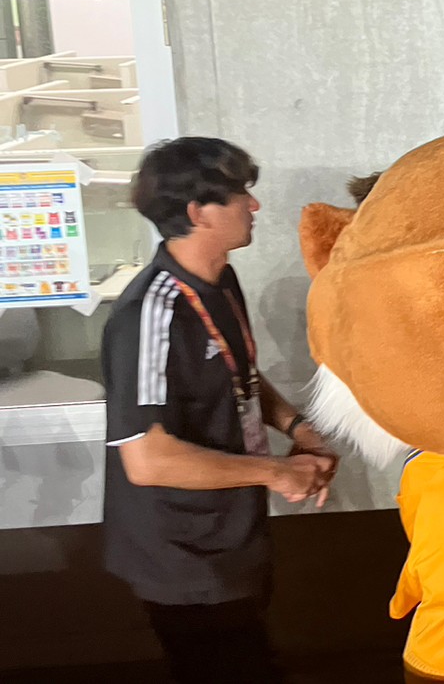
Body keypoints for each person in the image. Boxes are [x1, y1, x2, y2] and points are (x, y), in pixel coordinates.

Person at [101, 137, 338, 684]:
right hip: (183, 552)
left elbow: (240, 375)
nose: (254, 205)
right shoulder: (149, 315)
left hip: (234, 532)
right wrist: (277, 472)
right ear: (197, 213)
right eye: (239, 195)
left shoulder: (221, 281)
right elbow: (148, 459)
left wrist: (299, 428)